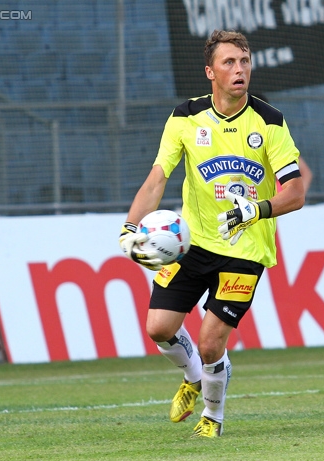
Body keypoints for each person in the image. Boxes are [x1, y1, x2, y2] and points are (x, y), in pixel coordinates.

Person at [118, 29, 305, 438]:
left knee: (208, 343)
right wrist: (131, 227)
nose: (239, 70)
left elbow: (296, 192)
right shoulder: (185, 117)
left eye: (244, 62)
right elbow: (157, 179)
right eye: (229, 63)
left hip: (245, 249)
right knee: (159, 328)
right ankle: (194, 378)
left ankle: (213, 419)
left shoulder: (269, 122)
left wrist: (257, 209)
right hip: (193, 244)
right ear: (210, 72)